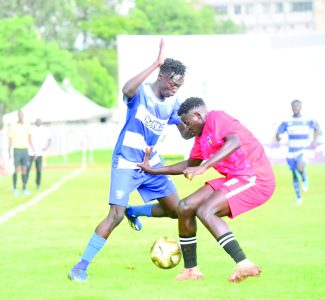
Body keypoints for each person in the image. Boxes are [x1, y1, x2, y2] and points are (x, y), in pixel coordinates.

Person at [68, 39, 192, 282]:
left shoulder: (173, 103)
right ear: (162, 75)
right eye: (173, 83)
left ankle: (135, 211)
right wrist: (154, 63)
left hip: (152, 163)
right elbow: (126, 89)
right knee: (115, 215)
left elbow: (186, 133)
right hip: (127, 160)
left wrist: (203, 125)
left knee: (177, 211)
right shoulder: (142, 92)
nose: (175, 89)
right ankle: (80, 267)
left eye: (180, 86)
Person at [138, 97, 276, 283]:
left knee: (206, 211)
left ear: (198, 115)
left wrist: (205, 167)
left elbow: (234, 141)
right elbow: (189, 164)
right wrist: (153, 170)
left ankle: (244, 264)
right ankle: (191, 271)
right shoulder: (200, 138)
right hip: (234, 177)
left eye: (187, 123)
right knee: (185, 207)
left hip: (255, 177)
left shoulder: (216, 118)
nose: (187, 128)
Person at [276, 99, 320, 205]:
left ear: (301, 107)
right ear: (291, 107)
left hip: (303, 149)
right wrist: (278, 137)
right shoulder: (287, 121)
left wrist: (313, 140)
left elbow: (317, 128)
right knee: (294, 175)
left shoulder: (308, 119)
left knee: (300, 167)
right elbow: (278, 132)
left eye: (297, 106)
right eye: (294, 106)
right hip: (291, 151)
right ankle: (298, 197)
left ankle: (304, 177)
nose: (296, 108)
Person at [8, 110, 34, 196]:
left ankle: (24, 188)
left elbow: (29, 138)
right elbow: (10, 139)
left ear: (23, 115)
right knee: (16, 169)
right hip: (16, 149)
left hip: (25, 149)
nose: (21, 116)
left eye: (22, 114)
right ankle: (15, 188)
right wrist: (9, 151)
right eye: (19, 114)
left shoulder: (27, 124)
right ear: (17, 115)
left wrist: (33, 149)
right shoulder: (13, 125)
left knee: (24, 169)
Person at [26, 118, 51, 190]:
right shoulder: (31, 129)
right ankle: (25, 183)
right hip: (31, 152)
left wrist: (46, 147)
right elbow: (29, 139)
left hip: (40, 153)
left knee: (39, 170)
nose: (39, 122)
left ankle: (38, 184)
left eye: (40, 121)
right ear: (35, 122)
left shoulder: (44, 130)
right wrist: (33, 151)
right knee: (28, 168)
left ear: (42, 122)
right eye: (37, 120)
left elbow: (50, 139)